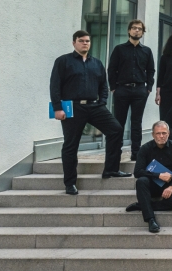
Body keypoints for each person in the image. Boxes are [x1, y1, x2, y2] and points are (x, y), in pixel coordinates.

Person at [50, 30, 131, 195]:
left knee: (116, 129)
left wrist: (101, 102)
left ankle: (111, 169)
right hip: (72, 107)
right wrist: (57, 108)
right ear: (74, 43)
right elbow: (55, 86)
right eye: (81, 41)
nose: (85, 43)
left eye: (87, 41)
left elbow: (103, 85)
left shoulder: (97, 63)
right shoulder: (63, 61)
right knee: (71, 145)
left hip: (95, 106)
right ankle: (70, 183)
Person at [108, 19, 156, 161]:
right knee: (119, 122)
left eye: (139, 29)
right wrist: (113, 88)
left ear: (142, 32)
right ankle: (117, 150)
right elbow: (111, 69)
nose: (136, 30)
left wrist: (148, 88)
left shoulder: (147, 51)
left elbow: (151, 70)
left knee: (137, 123)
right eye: (134, 28)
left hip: (140, 91)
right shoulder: (119, 49)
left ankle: (136, 153)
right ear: (129, 30)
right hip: (122, 90)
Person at [126, 121, 172, 233]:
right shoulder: (145, 148)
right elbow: (137, 172)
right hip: (152, 184)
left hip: (169, 184)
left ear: (168, 133)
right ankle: (150, 220)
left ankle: (143, 205)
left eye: (164, 133)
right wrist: (158, 175)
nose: (161, 136)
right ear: (153, 134)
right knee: (141, 181)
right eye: (158, 133)